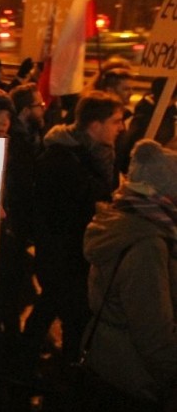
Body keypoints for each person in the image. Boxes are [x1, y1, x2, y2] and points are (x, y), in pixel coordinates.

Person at [80, 139, 177, 412]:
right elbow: (153, 331)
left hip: (109, 363)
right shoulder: (147, 241)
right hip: (134, 377)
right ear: (165, 193)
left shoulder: (121, 221)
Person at [22, 91, 124, 368]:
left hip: (76, 254)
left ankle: (28, 359)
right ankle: (62, 371)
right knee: (71, 313)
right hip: (64, 253)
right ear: (95, 126)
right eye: (115, 121)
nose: (121, 127)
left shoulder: (99, 153)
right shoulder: (61, 159)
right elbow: (62, 212)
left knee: (52, 305)